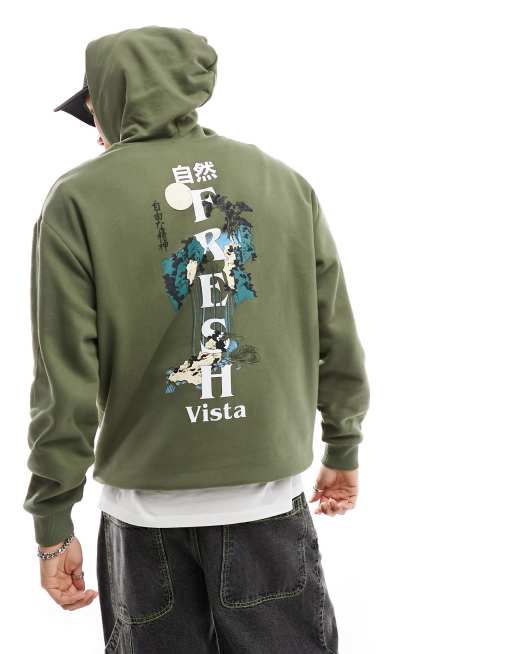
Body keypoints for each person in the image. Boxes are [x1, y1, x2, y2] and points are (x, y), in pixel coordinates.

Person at [23, 25, 370, 653]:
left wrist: (53, 523)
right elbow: (336, 332)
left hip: (145, 523)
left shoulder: (78, 200)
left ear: (115, 97)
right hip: (266, 509)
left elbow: (63, 378)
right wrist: (342, 447)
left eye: (92, 109)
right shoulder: (283, 182)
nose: (94, 129)